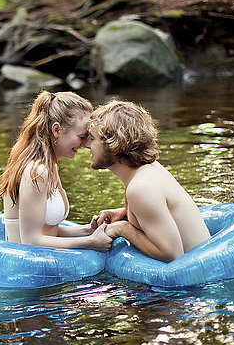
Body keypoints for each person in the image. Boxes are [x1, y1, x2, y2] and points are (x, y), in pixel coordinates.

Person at [86, 100, 210, 262]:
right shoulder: (149, 169)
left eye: (92, 139)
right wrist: (124, 214)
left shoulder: (141, 187)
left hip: (193, 282)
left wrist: (121, 228)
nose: (87, 145)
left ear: (113, 143)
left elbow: (172, 255)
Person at [0, 91, 112, 252]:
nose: (85, 144)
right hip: (25, 269)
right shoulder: (37, 171)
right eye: (82, 136)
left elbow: (48, 231)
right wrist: (90, 242)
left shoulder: (50, 166)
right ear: (56, 130)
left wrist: (87, 230)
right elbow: (31, 240)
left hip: (41, 261)